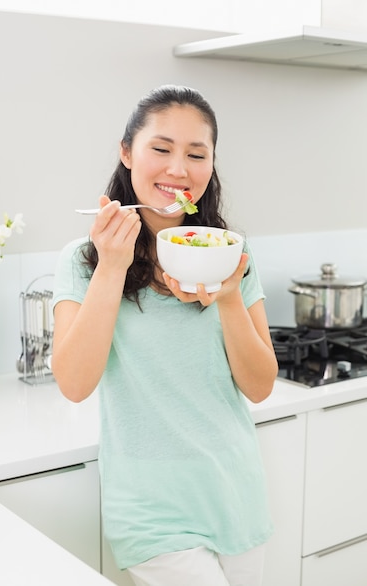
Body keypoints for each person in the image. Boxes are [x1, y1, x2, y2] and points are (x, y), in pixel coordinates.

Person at [52, 84, 278, 586]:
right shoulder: (83, 258)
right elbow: (73, 383)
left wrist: (227, 295)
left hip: (235, 495)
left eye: (197, 155)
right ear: (127, 152)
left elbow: (260, 387)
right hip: (151, 512)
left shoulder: (231, 255)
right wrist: (112, 268)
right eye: (161, 149)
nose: (179, 169)